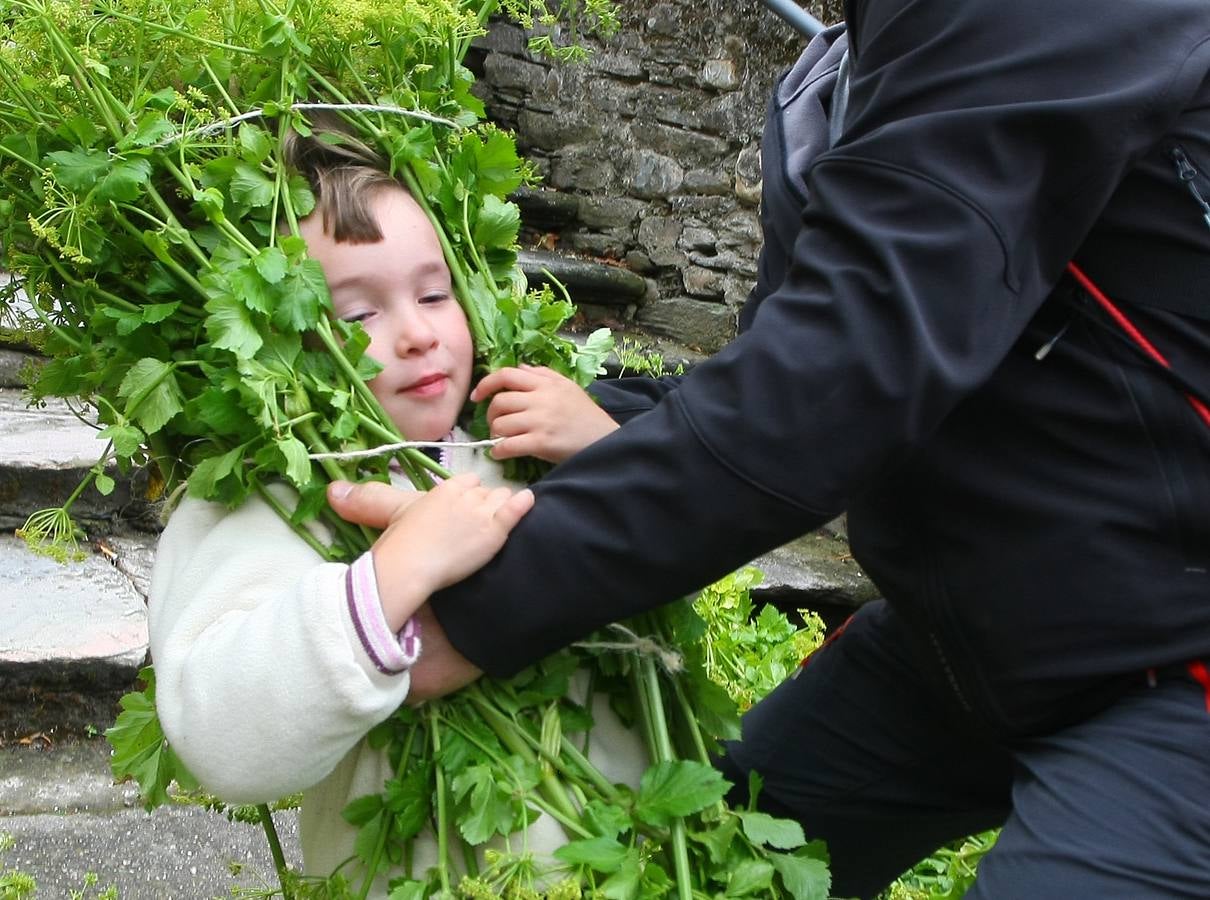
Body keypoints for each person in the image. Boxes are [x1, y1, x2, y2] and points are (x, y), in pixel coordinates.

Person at [328, 2, 1210, 897]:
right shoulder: (835, 78)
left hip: (1178, 667)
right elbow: (791, 368)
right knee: (707, 865)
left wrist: (485, 608)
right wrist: (605, 428)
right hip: (962, 643)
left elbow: (852, 363)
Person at [148, 124, 645, 895]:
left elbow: (660, 569)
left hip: (618, 854)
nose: (416, 334)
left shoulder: (524, 444)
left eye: (433, 293)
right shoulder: (276, 502)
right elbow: (218, 735)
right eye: (356, 317)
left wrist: (610, 455)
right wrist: (391, 574)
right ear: (271, 348)